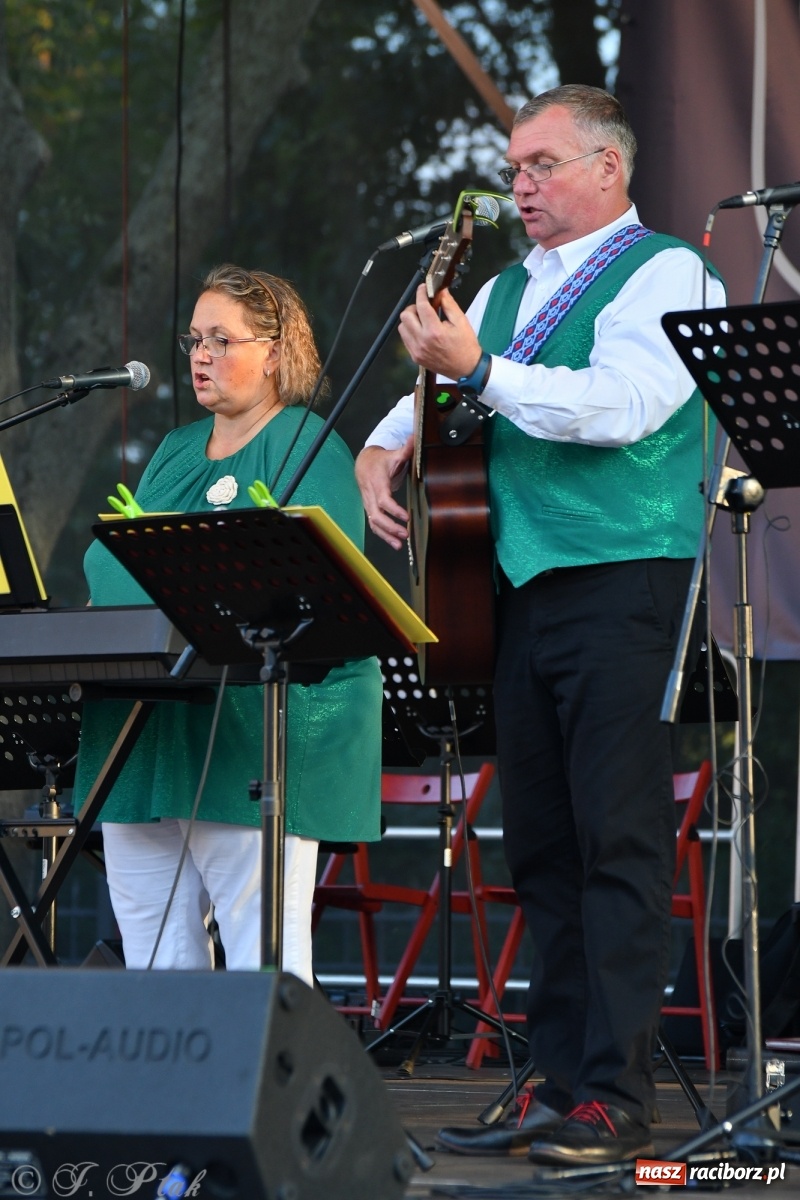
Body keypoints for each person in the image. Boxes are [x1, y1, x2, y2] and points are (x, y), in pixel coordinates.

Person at [356, 84, 725, 1165]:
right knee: (544, 848)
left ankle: (615, 1096)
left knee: (617, 840)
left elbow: (622, 405)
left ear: (608, 167)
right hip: (518, 586)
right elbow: (433, 391)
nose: (518, 185)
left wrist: (478, 368)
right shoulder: (510, 286)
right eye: (513, 167)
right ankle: (557, 1082)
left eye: (540, 165)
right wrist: (381, 445)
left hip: (623, 578)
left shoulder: (666, 270)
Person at [72, 264, 382, 986]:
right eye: (194, 339)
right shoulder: (176, 450)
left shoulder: (309, 443)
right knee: (153, 956)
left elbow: (316, 595)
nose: (201, 355)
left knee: (261, 958)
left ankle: (269, 1068)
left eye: (221, 339)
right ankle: (171, 1064)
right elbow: (117, 572)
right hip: (149, 732)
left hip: (252, 731)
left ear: (274, 352)